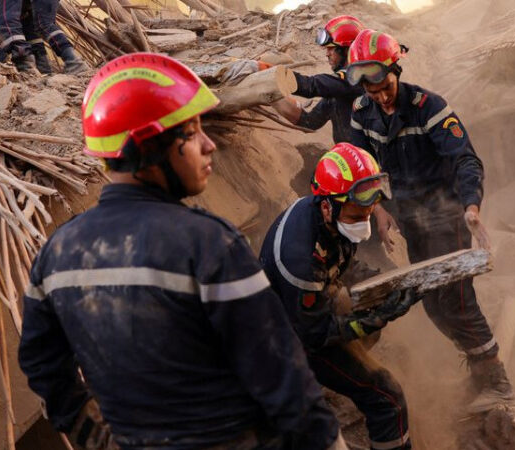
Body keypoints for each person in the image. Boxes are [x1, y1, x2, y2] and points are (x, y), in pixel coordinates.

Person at [18, 53, 344, 449]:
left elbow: (40, 363)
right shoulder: (207, 244)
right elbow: (280, 372)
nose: (208, 145)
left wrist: (92, 437)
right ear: (150, 148)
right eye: (190, 132)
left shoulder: (56, 253)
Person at [344, 29, 514, 413]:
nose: (380, 96)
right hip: (409, 220)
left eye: (384, 86)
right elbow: (363, 169)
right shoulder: (362, 113)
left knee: (456, 301)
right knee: (432, 304)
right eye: (371, 91)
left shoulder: (428, 106)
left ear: (396, 71)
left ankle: (498, 382)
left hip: (446, 215)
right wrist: (380, 210)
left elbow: (465, 159)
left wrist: (471, 206)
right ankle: (477, 372)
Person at [260, 143, 414, 450]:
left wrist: (382, 282)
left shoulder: (326, 217)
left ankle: (323, 382)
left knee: (367, 309)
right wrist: (378, 316)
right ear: (328, 205)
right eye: (357, 216)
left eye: (369, 213)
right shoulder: (299, 259)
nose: (364, 223)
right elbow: (316, 335)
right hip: (287, 340)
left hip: (308, 314)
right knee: (387, 397)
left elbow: (344, 261)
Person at [272, 15, 377, 144]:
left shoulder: (357, 79)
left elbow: (311, 86)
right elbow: (309, 122)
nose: (327, 53)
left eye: (331, 48)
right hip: (350, 159)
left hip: (372, 162)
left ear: (348, 50)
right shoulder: (338, 92)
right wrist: (273, 96)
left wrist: (274, 76)